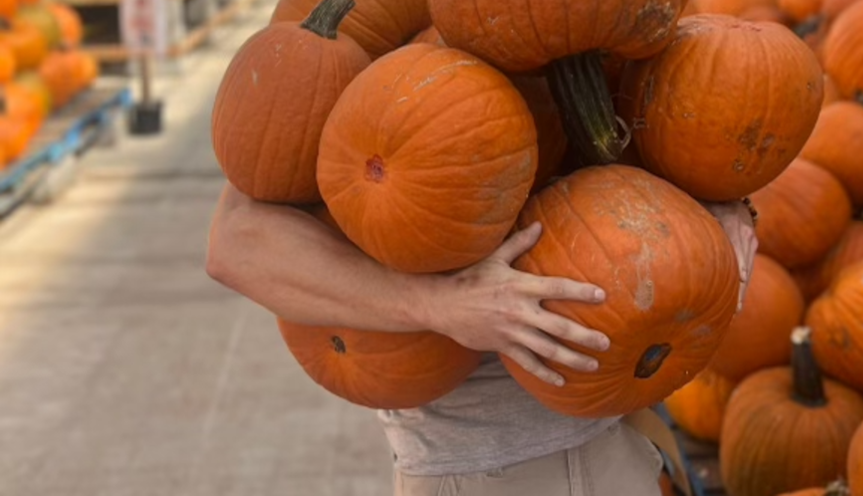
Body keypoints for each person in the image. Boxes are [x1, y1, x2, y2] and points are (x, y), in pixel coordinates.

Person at [207, 182, 758, 495]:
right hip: (477, 474)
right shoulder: (359, 18)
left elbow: (687, 115)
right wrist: (439, 304)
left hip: (621, 444)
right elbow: (238, 242)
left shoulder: (595, 8)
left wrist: (725, 202)